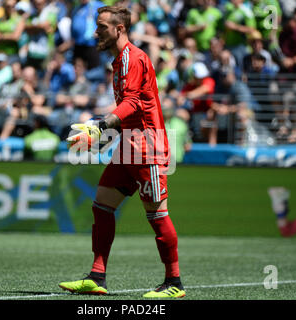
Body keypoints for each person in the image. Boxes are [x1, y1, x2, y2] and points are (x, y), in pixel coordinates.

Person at [58, 5, 185, 299]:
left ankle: (174, 282)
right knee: (102, 203)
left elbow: (132, 104)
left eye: (101, 26)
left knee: (156, 213)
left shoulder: (134, 58)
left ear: (119, 29)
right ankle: (97, 276)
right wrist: (100, 131)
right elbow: (127, 111)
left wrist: (99, 127)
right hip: (128, 145)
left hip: (147, 147)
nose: (95, 32)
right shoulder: (119, 62)